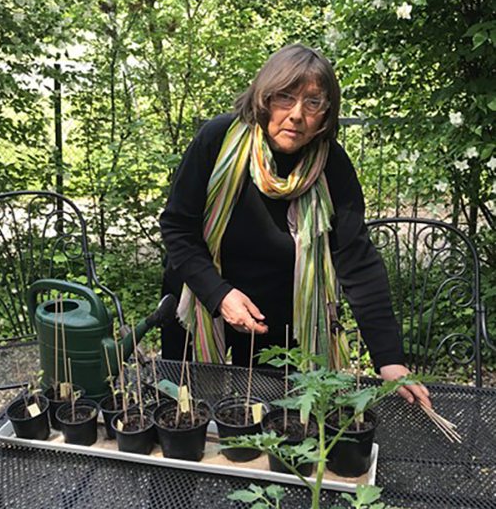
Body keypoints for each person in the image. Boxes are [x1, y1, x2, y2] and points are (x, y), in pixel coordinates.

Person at [159, 44, 431, 407]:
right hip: (200, 302)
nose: (297, 115)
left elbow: (358, 262)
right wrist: (219, 295)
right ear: (264, 98)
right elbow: (177, 227)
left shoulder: (332, 165)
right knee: (190, 420)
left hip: (281, 324)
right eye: (284, 98)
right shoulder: (218, 140)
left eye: (313, 103)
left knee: (266, 424)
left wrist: (390, 359)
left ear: (326, 113)